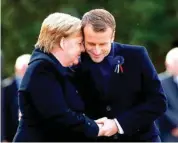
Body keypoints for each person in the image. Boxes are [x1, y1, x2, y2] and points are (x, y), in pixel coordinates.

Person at [73, 9, 167, 142]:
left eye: (103, 44)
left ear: (113, 36)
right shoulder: (74, 61)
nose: (97, 50)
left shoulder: (137, 56)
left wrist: (118, 124)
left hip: (141, 139)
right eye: (91, 44)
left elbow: (158, 102)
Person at [12, 12, 107, 142]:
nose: (82, 49)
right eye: (79, 42)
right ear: (63, 42)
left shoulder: (53, 69)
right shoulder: (42, 69)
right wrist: (96, 128)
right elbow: (59, 115)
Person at [1, 54, 31, 142]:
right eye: (23, 67)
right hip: (11, 136)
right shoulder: (5, 88)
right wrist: (3, 138)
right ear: (16, 69)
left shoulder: (38, 86)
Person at [158, 47, 178, 142]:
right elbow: (162, 108)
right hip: (169, 132)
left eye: (171, 63)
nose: (167, 65)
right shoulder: (160, 82)